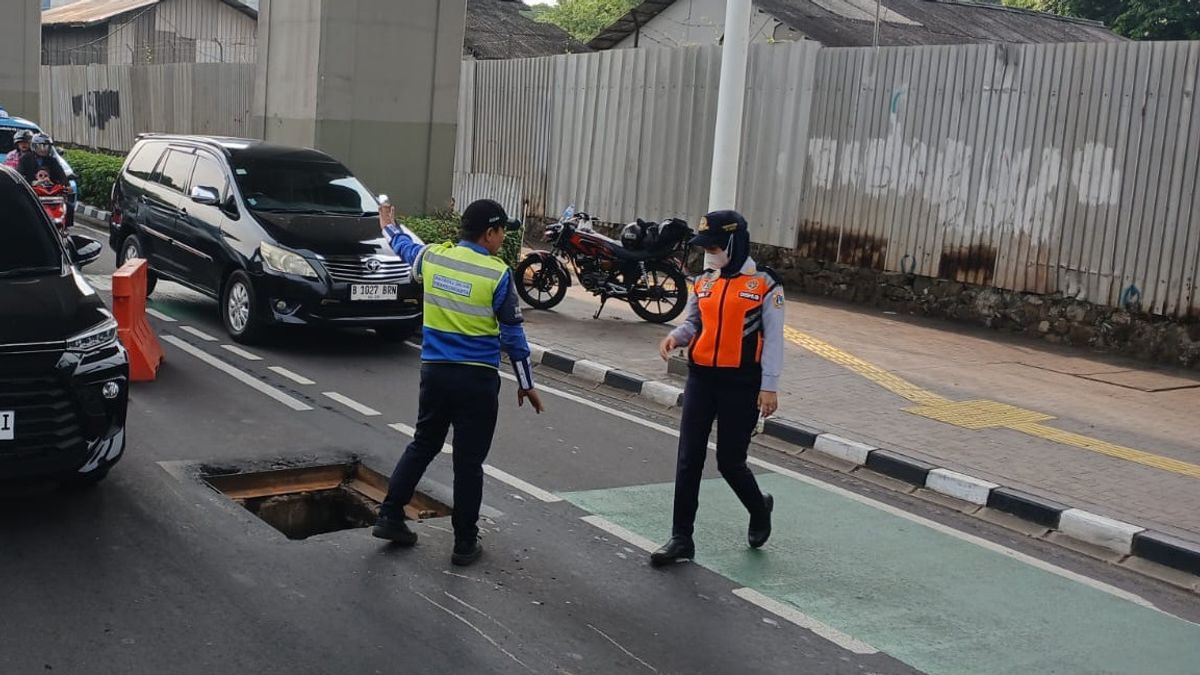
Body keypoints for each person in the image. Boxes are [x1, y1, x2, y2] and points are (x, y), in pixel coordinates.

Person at [373, 198, 545, 566]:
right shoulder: (497, 274)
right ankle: (465, 542)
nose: (503, 240)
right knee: (468, 463)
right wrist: (526, 383)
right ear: (490, 233)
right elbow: (513, 337)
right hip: (476, 380)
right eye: (502, 233)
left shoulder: (435, 258)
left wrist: (387, 225)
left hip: (435, 374)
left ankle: (389, 515)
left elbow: (406, 248)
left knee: (423, 443)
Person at [649, 210, 785, 567]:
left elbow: (773, 340)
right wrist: (677, 336)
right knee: (688, 457)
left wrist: (769, 387)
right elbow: (694, 322)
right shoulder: (704, 281)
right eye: (704, 246)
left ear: (733, 242)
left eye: (713, 245)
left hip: (742, 382)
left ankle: (759, 507)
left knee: (729, 460)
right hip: (701, 378)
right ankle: (681, 538)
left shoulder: (765, 284)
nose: (709, 253)